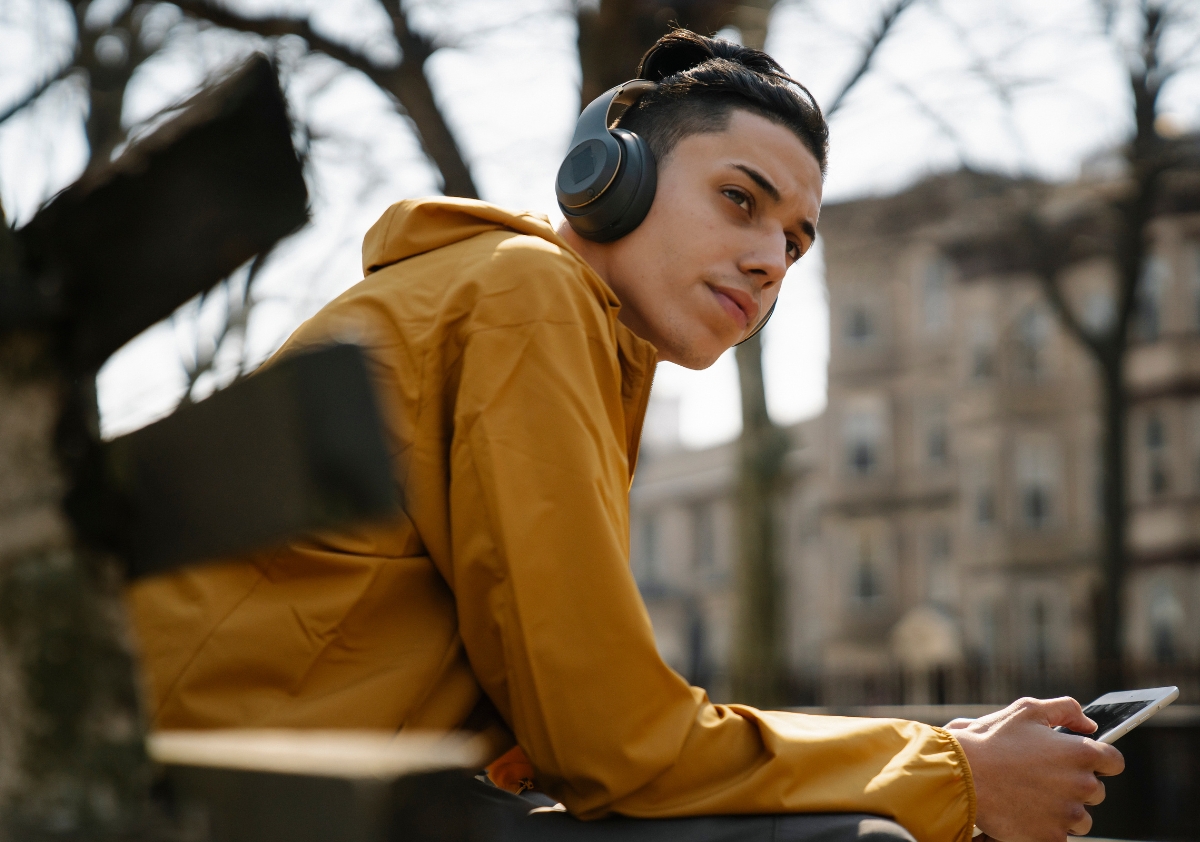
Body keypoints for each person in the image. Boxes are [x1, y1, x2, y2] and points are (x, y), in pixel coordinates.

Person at [127, 29, 1122, 842]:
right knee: (863, 837)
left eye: (795, 240)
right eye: (740, 198)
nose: (772, 258)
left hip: (263, 792)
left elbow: (585, 728)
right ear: (609, 175)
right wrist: (947, 769)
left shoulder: (543, 320)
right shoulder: (528, 297)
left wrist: (938, 748)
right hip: (202, 809)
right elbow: (612, 741)